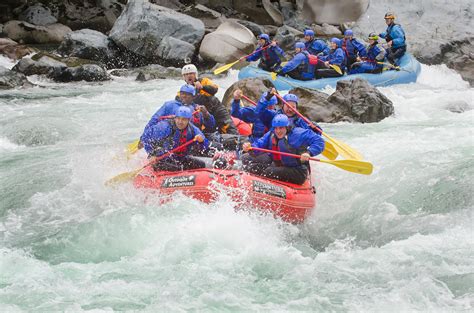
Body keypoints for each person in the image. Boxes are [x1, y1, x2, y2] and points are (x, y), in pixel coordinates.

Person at [241, 114, 325, 185]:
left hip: (297, 171)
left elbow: (319, 141)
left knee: (268, 171)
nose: (278, 131)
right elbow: (259, 144)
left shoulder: (299, 134)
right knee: (252, 167)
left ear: (287, 127)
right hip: (279, 165)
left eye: (281, 128)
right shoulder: (271, 134)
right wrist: (250, 148)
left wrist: (309, 152)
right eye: (276, 128)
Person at [140, 106, 209, 171]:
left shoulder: (193, 130)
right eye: (178, 118)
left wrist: (201, 141)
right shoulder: (164, 127)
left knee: (201, 164)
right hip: (161, 159)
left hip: (180, 158)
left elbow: (205, 145)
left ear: (188, 120)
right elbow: (145, 138)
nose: (180, 122)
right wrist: (152, 154)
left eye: (183, 119)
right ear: (175, 118)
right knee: (178, 168)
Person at [181, 64, 238, 135]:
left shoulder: (204, 81)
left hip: (217, 110)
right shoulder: (183, 91)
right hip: (204, 115)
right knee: (208, 134)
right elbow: (179, 102)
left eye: (191, 73)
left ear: (195, 74)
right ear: (184, 77)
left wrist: (202, 87)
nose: (189, 76)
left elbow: (215, 89)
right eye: (186, 74)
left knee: (231, 129)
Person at [143, 84, 215, 136]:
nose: (184, 96)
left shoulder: (198, 109)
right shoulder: (169, 105)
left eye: (187, 94)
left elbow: (211, 127)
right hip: (171, 138)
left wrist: (206, 114)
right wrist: (144, 135)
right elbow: (155, 119)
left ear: (194, 97)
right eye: (182, 93)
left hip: (192, 139)